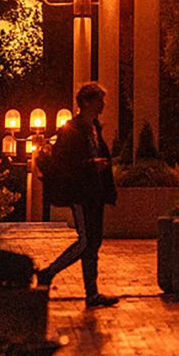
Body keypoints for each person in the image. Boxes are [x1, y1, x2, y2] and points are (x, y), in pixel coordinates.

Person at [35, 82, 119, 308]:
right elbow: (64, 163)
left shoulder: (95, 128)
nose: (103, 104)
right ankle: (49, 272)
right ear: (87, 102)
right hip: (80, 193)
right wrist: (91, 165)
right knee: (85, 241)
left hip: (95, 193)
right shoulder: (72, 130)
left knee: (94, 243)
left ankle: (92, 293)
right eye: (99, 100)